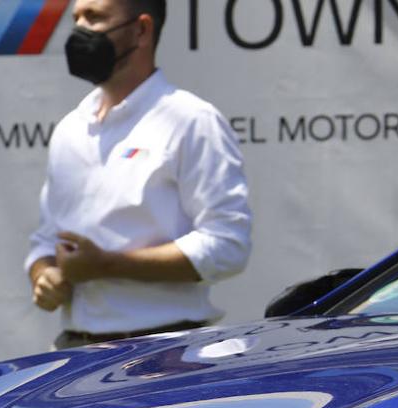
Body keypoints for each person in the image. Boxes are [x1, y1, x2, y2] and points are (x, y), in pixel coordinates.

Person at [26, 0, 251, 350]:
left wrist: (108, 265)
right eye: (76, 18)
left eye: (95, 17)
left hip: (166, 353)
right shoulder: (71, 128)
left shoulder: (192, 120)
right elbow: (45, 240)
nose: (80, 29)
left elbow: (228, 245)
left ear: (142, 29)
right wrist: (44, 274)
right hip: (75, 352)